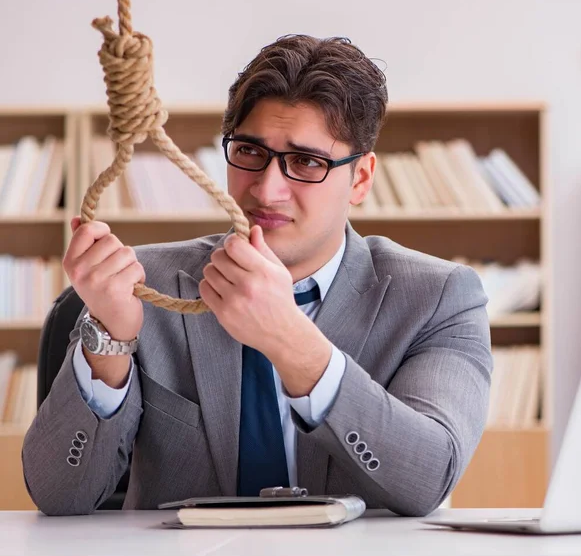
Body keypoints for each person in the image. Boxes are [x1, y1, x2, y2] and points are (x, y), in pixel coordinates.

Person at [22, 35, 492, 516]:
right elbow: (59, 497)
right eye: (249, 152)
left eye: (307, 161)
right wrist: (111, 341)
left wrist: (290, 340)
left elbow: (428, 478)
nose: (267, 190)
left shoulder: (440, 297)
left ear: (362, 179)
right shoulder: (143, 284)